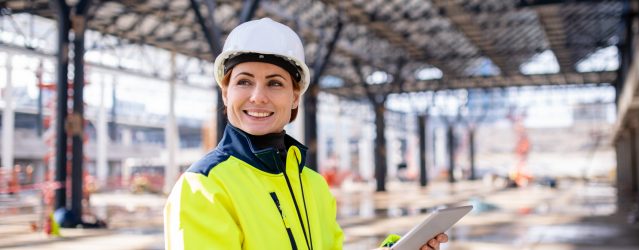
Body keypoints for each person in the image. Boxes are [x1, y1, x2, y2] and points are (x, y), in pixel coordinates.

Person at [164, 18, 448, 250]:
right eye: (244, 81)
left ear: (295, 97)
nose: (258, 97)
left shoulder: (313, 185)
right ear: (226, 94)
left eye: (275, 83)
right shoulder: (204, 187)